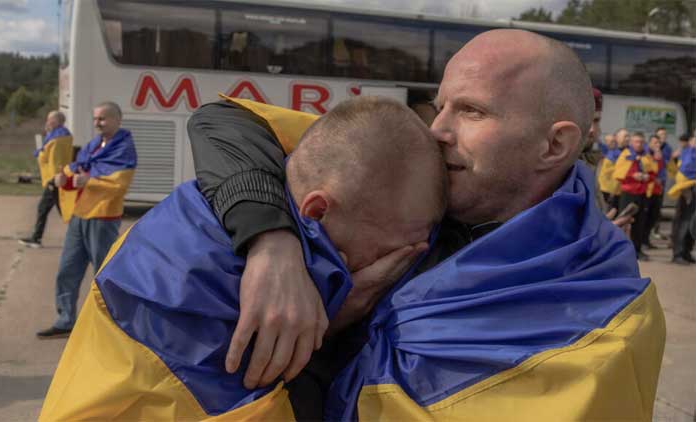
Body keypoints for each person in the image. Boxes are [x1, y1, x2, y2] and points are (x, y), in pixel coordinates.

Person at [188, 29, 665, 421]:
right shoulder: (420, 167)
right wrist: (272, 243)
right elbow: (225, 121)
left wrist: (329, 331)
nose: (437, 130)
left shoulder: (602, 307)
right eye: (441, 106)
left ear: (554, 145)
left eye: (472, 110)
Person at [39, 97, 446, 421]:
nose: (397, 264)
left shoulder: (307, 166)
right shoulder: (212, 290)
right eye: (392, 249)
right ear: (318, 210)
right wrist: (325, 331)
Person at [36, 101, 137, 339]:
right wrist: (64, 179)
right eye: (95, 119)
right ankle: (65, 320)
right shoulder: (92, 146)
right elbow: (76, 171)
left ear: (117, 120)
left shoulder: (124, 149)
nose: (97, 123)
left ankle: (111, 324)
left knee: (103, 274)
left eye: (103, 118)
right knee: (67, 270)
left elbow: (119, 185)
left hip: (103, 218)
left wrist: (89, 181)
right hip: (80, 215)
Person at [19, 111, 73, 248]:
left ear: (56, 122)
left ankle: (36, 238)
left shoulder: (56, 140)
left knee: (46, 208)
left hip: (54, 179)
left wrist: (53, 179)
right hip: (59, 177)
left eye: (50, 120)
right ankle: (37, 237)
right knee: (59, 209)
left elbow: (53, 159)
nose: (47, 122)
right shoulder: (63, 136)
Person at [614, 132, 657, 261]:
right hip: (628, 194)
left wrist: (647, 177)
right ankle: (619, 251)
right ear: (631, 143)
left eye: (641, 142)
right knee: (623, 222)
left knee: (640, 223)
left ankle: (637, 250)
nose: (639, 144)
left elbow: (653, 172)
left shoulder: (646, 156)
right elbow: (618, 173)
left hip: (642, 194)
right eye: (636, 141)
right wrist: (633, 176)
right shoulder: (625, 155)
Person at [668, 135, 696, 265]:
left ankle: (686, 252)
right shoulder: (688, 153)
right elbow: (683, 173)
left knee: (692, 223)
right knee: (684, 222)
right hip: (688, 190)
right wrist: (686, 191)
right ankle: (678, 253)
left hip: (691, 189)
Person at [644, 135, 667, 249]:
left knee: (653, 216)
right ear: (649, 143)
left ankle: (646, 239)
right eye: (654, 142)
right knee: (645, 217)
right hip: (647, 190)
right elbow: (649, 171)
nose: (657, 145)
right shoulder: (645, 154)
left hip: (657, 190)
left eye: (658, 143)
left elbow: (662, 171)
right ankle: (642, 241)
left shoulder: (660, 155)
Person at [597, 128, 628, 211]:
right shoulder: (611, 151)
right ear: (617, 138)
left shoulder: (628, 151)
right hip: (606, 189)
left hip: (620, 190)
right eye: (625, 136)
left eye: (628, 136)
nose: (627, 138)